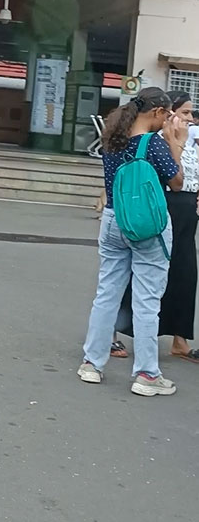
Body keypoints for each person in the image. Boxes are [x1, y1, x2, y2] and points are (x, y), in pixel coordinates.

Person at [78, 87, 186, 396]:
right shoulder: (153, 144)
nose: (168, 120)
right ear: (156, 112)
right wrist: (175, 143)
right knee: (147, 299)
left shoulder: (113, 141)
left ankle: (92, 363)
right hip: (147, 225)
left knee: (107, 293)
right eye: (167, 114)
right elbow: (176, 183)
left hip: (114, 219)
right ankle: (147, 374)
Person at [158, 92, 199, 362]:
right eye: (184, 113)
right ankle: (115, 330)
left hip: (188, 209)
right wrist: (176, 141)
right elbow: (174, 178)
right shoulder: (160, 141)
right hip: (167, 205)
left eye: (191, 113)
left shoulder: (193, 139)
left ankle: (180, 339)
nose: (190, 118)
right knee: (151, 273)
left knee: (186, 273)